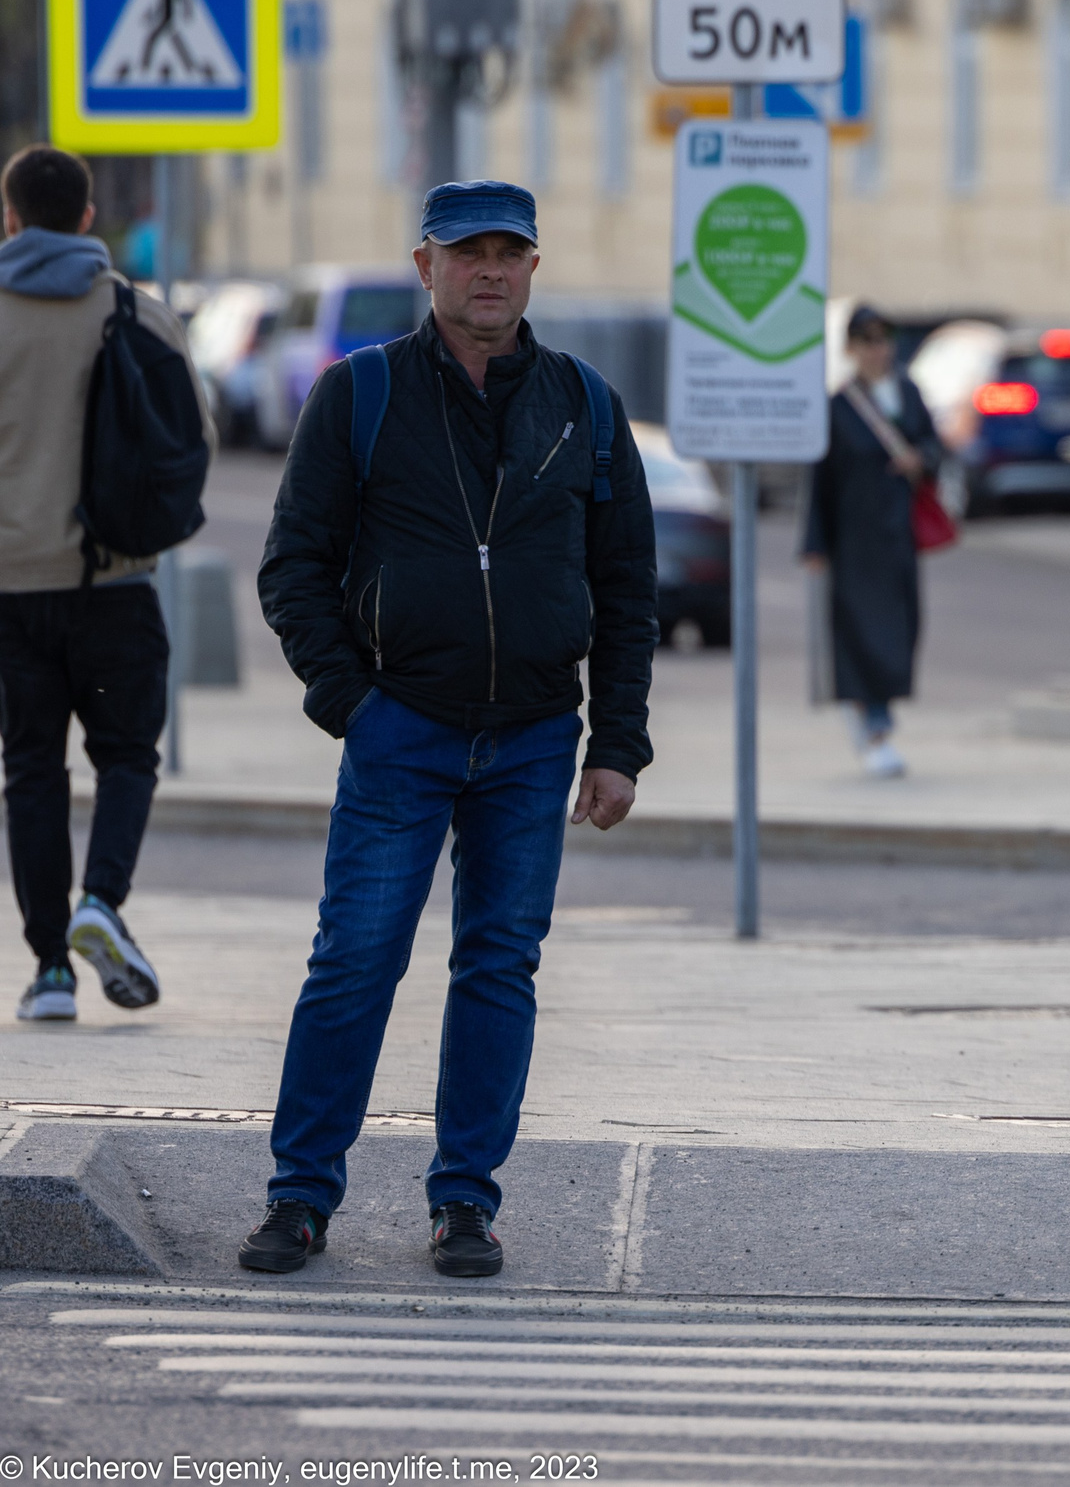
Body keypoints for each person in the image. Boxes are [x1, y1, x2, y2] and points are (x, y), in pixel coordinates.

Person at [247, 179, 658, 1277]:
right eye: (466, 251)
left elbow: (626, 589)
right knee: (356, 963)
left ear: (534, 267)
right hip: (402, 729)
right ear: (424, 267)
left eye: (508, 252)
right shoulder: (361, 392)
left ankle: (465, 1202)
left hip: (532, 739)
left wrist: (617, 743)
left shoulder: (584, 403)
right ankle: (299, 1197)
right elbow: (293, 567)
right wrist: (350, 703)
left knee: (498, 970)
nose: (489, 270)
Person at [0, 145, 212, 1023]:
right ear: (89, 218)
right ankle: (103, 901)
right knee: (126, 757)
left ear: (10, 219)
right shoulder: (136, 312)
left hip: (11, 594)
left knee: (31, 771)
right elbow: (191, 437)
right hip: (117, 585)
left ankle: (50, 967)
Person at [802, 305, 942, 778]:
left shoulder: (907, 393)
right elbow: (819, 482)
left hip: (898, 537)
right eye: (866, 342)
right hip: (853, 542)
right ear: (850, 349)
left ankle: (874, 713)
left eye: (883, 340)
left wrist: (919, 458)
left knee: (901, 630)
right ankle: (874, 725)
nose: (876, 350)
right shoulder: (838, 408)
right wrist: (814, 544)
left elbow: (937, 447)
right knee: (861, 633)